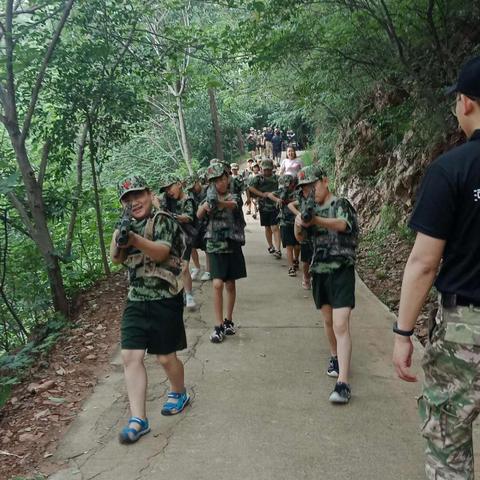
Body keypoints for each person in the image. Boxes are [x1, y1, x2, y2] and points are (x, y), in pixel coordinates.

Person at [392, 56, 480, 480]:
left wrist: (403, 333)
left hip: (467, 331)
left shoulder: (451, 169)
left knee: (449, 442)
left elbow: (424, 263)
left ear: (465, 103)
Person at [111, 176, 189, 444]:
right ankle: (138, 419)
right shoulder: (125, 226)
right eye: (128, 200)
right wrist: (120, 238)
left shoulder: (163, 220)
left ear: (148, 194)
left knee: (166, 358)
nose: (134, 203)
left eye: (138, 196)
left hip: (164, 298)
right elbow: (116, 258)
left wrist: (134, 238)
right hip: (136, 300)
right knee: (130, 356)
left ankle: (179, 392)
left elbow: (161, 253)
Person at [294, 165, 358, 404]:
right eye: (305, 189)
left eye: (313, 186)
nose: (309, 192)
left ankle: (343, 383)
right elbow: (301, 238)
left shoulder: (340, 203)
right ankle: (334, 356)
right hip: (319, 271)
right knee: (329, 321)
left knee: (341, 325)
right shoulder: (309, 210)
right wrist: (300, 223)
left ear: (325, 181)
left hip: (341, 270)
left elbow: (343, 225)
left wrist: (316, 219)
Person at [197, 163, 247, 343]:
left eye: (221, 179)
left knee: (230, 284)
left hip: (231, 243)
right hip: (214, 244)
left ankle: (228, 320)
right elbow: (198, 215)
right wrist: (205, 206)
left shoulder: (232, 194)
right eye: (215, 181)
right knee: (217, 284)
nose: (219, 183)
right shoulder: (207, 195)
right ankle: (218, 325)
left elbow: (233, 205)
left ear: (227, 178)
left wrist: (218, 202)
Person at [158, 175, 197, 310]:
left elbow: (188, 217)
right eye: (166, 190)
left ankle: (189, 294)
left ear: (179, 184)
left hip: (185, 238)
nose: (168, 191)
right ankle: (177, 294)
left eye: (170, 187)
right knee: (172, 268)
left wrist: (167, 214)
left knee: (184, 267)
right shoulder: (167, 200)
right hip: (171, 239)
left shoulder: (188, 200)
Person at [266, 174, 300, 276]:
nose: (286, 187)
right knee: (289, 246)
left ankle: (296, 260)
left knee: (297, 245)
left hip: (297, 221)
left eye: (288, 185)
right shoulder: (281, 191)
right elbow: (269, 194)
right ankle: (291, 267)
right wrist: (278, 200)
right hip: (284, 221)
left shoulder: (298, 191)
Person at [248, 159, 281, 258]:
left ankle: (278, 249)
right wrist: (262, 194)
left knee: (275, 227)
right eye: (265, 169)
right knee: (267, 227)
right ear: (262, 169)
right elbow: (250, 188)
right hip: (263, 206)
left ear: (272, 169)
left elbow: (283, 188)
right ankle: (271, 246)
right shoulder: (258, 178)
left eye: (269, 169)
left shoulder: (277, 178)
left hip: (275, 206)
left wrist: (275, 196)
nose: (267, 171)